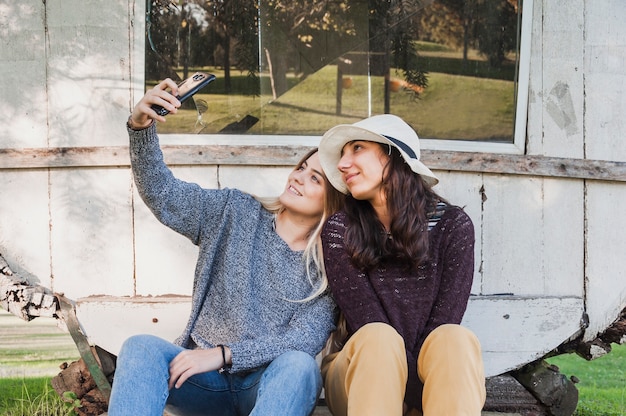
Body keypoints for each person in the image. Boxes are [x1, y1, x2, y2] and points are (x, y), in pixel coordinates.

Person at [107, 79, 344, 416]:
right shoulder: (233, 212)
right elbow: (165, 196)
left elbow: (302, 340)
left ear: (333, 201)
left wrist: (224, 353)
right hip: (202, 381)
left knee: (300, 366)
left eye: (315, 179)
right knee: (140, 348)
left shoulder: (328, 267)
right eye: (302, 167)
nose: (298, 177)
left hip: (266, 387)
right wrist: (140, 128)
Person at [317, 114, 486, 416]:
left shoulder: (453, 226)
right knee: (378, 336)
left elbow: (445, 318)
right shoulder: (339, 229)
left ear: (394, 156)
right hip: (356, 378)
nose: (343, 164)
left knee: (453, 337)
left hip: (428, 381)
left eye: (356, 148)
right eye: (343, 154)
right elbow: (366, 319)